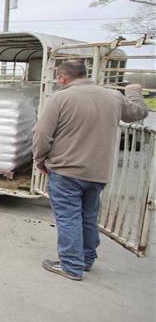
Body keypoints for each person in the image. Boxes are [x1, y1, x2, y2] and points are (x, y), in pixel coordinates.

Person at [32, 59, 148, 281]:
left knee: (68, 217)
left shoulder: (60, 98)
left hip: (66, 171)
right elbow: (139, 112)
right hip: (98, 172)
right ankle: (86, 259)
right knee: (88, 215)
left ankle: (71, 265)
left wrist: (39, 160)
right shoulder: (113, 96)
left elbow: (42, 133)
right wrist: (133, 91)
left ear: (63, 77)